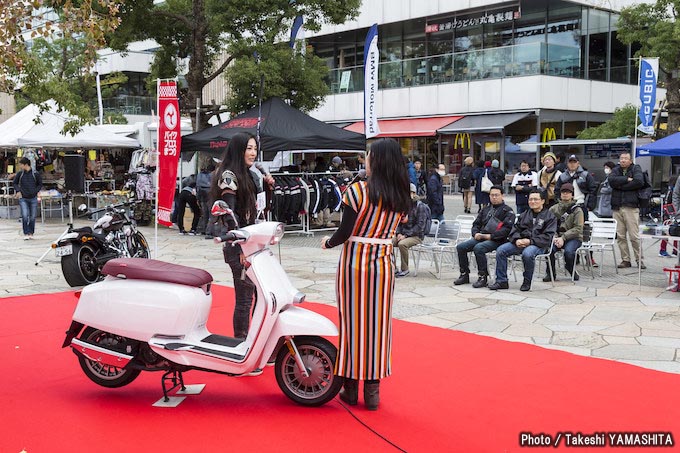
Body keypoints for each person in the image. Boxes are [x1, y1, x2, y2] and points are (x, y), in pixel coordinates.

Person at [321, 137, 411, 411]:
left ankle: (351, 389)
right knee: (378, 327)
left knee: (351, 325)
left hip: (354, 264)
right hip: (383, 266)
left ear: (378, 160)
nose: (366, 160)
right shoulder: (401, 194)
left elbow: (344, 232)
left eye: (369, 156)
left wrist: (327, 242)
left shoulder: (357, 191)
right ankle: (373, 392)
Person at [210, 132, 275, 340]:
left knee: (261, 295)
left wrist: (268, 187)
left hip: (254, 243)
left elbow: (260, 208)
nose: (253, 153)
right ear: (239, 150)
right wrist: (240, 245)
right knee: (245, 298)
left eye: (255, 148)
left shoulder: (252, 175)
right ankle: (241, 341)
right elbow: (229, 213)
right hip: (239, 245)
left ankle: (255, 339)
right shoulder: (229, 175)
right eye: (249, 148)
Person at [489, 188, 557, 292]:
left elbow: (548, 237)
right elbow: (514, 229)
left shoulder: (550, 217)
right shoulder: (524, 214)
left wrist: (530, 241)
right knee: (501, 250)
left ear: (542, 201)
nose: (532, 202)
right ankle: (501, 281)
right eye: (530, 199)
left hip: (538, 245)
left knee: (528, 253)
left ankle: (527, 281)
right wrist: (516, 239)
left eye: (535, 199)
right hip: (521, 242)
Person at [454, 185, 515, 288]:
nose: (494, 197)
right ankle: (464, 274)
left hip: (498, 240)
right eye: (492, 195)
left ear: (502, 196)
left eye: (496, 195)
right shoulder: (485, 209)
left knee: (479, 248)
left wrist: (490, 236)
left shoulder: (508, 211)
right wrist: (475, 233)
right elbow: (476, 224)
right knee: (461, 247)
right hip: (481, 237)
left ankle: (483, 276)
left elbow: (506, 230)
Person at [608, 152, 645, 269]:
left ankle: (639, 260)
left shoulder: (636, 168)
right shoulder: (615, 169)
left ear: (630, 160)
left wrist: (620, 186)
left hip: (631, 207)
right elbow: (611, 181)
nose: (623, 160)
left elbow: (639, 181)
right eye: (621, 158)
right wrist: (626, 179)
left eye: (625, 158)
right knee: (620, 236)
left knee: (634, 236)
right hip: (617, 207)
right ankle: (625, 260)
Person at [544, 183, 584, 281]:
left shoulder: (577, 210)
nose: (565, 194)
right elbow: (548, 225)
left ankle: (570, 267)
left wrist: (563, 237)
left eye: (568, 192)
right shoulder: (553, 209)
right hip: (556, 237)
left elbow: (578, 228)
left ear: (572, 195)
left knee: (569, 252)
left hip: (573, 238)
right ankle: (550, 273)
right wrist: (556, 237)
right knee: (549, 251)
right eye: (563, 192)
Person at [393, 183, 431, 277]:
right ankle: (392, 267)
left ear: (413, 193)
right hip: (403, 234)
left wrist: (405, 235)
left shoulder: (420, 206)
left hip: (416, 236)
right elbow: (398, 222)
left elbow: (420, 226)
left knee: (402, 244)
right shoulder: (403, 205)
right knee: (388, 242)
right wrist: (398, 233)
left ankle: (405, 269)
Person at [555, 154, 597, 219]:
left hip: (581, 204)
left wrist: (590, 206)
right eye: (570, 162)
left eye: (574, 162)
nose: (572, 164)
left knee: (582, 226)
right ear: (567, 163)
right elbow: (557, 190)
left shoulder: (585, 175)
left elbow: (593, 191)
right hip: (565, 206)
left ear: (578, 163)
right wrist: (559, 202)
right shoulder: (562, 176)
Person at [12, 157, 43, 240]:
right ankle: (26, 233)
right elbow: (14, 183)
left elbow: (40, 184)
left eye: (21, 165)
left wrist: (35, 191)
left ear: (26, 165)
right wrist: (18, 191)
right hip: (23, 198)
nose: (20, 166)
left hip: (33, 198)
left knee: (32, 216)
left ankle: (31, 232)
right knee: (25, 215)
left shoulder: (35, 174)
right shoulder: (20, 174)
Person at [659, 175, 678, 257]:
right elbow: (667, 203)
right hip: (669, 215)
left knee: (677, 232)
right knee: (666, 232)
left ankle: (675, 250)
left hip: (676, 214)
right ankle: (662, 250)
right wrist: (671, 214)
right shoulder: (670, 190)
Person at [195, 163, 215, 236]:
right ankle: (209, 231)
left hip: (202, 197)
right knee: (211, 215)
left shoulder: (200, 176)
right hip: (210, 197)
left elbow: (197, 187)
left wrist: (198, 198)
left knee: (205, 215)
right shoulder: (213, 176)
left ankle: (204, 229)